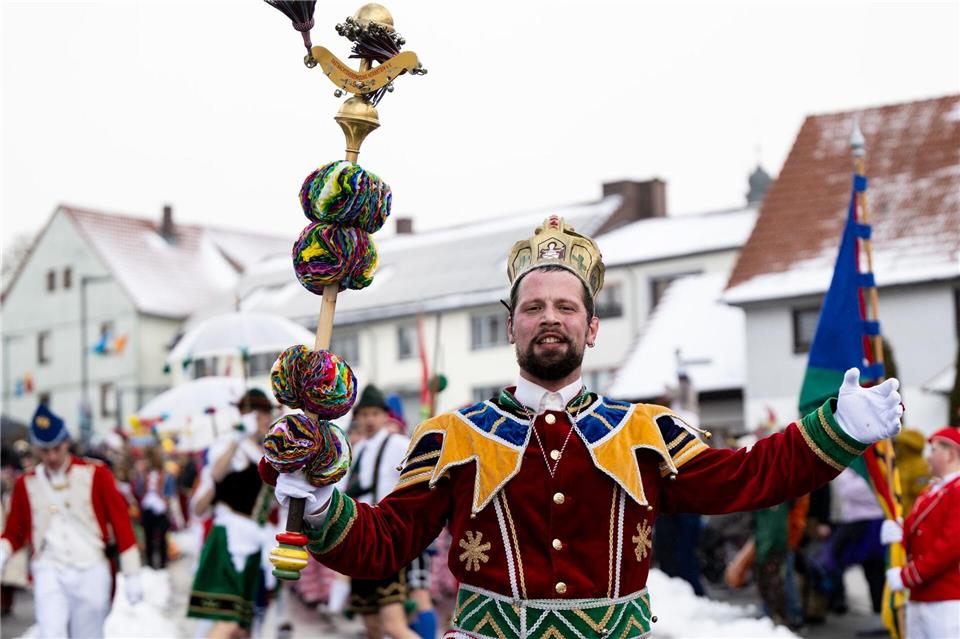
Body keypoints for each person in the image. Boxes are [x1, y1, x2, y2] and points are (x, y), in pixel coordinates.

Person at [267, 216, 903, 638]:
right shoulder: (452, 434)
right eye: (534, 306)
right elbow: (385, 542)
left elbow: (748, 478)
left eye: (566, 307)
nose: (550, 317)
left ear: (591, 327)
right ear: (510, 323)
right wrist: (322, 507)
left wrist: (838, 427)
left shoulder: (646, 430)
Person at [0, 405, 143, 638]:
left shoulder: (96, 473)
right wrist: (3, 551)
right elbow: (15, 531)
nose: (52, 457)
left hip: (91, 567)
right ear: (36, 448)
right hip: (49, 567)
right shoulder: (26, 483)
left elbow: (121, 522)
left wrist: (132, 572)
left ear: (66, 442)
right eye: (44, 451)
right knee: (51, 632)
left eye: (56, 448)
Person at [187, 389, 278, 638]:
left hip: (256, 545)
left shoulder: (268, 452)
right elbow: (212, 480)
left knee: (243, 627)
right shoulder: (229, 447)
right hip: (230, 541)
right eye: (259, 415)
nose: (264, 421)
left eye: (266, 415)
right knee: (227, 622)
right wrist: (237, 438)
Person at [341, 384, 419, 639]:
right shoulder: (357, 450)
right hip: (360, 542)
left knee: (394, 625)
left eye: (374, 414)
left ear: (385, 416)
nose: (369, 419)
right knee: (371, 625)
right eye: (364, 414)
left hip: (386, 540)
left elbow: (419, 481)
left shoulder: (399, 444)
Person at [883, 426, 960, 639]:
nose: (928, 456)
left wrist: (908, 576)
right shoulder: (933, 490)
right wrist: (899, 531)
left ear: (950, 453)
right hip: (921, 594)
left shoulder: (957, 490)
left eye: (933, 450)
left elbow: (950, 546)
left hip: (945, 598)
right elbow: (918, 530)